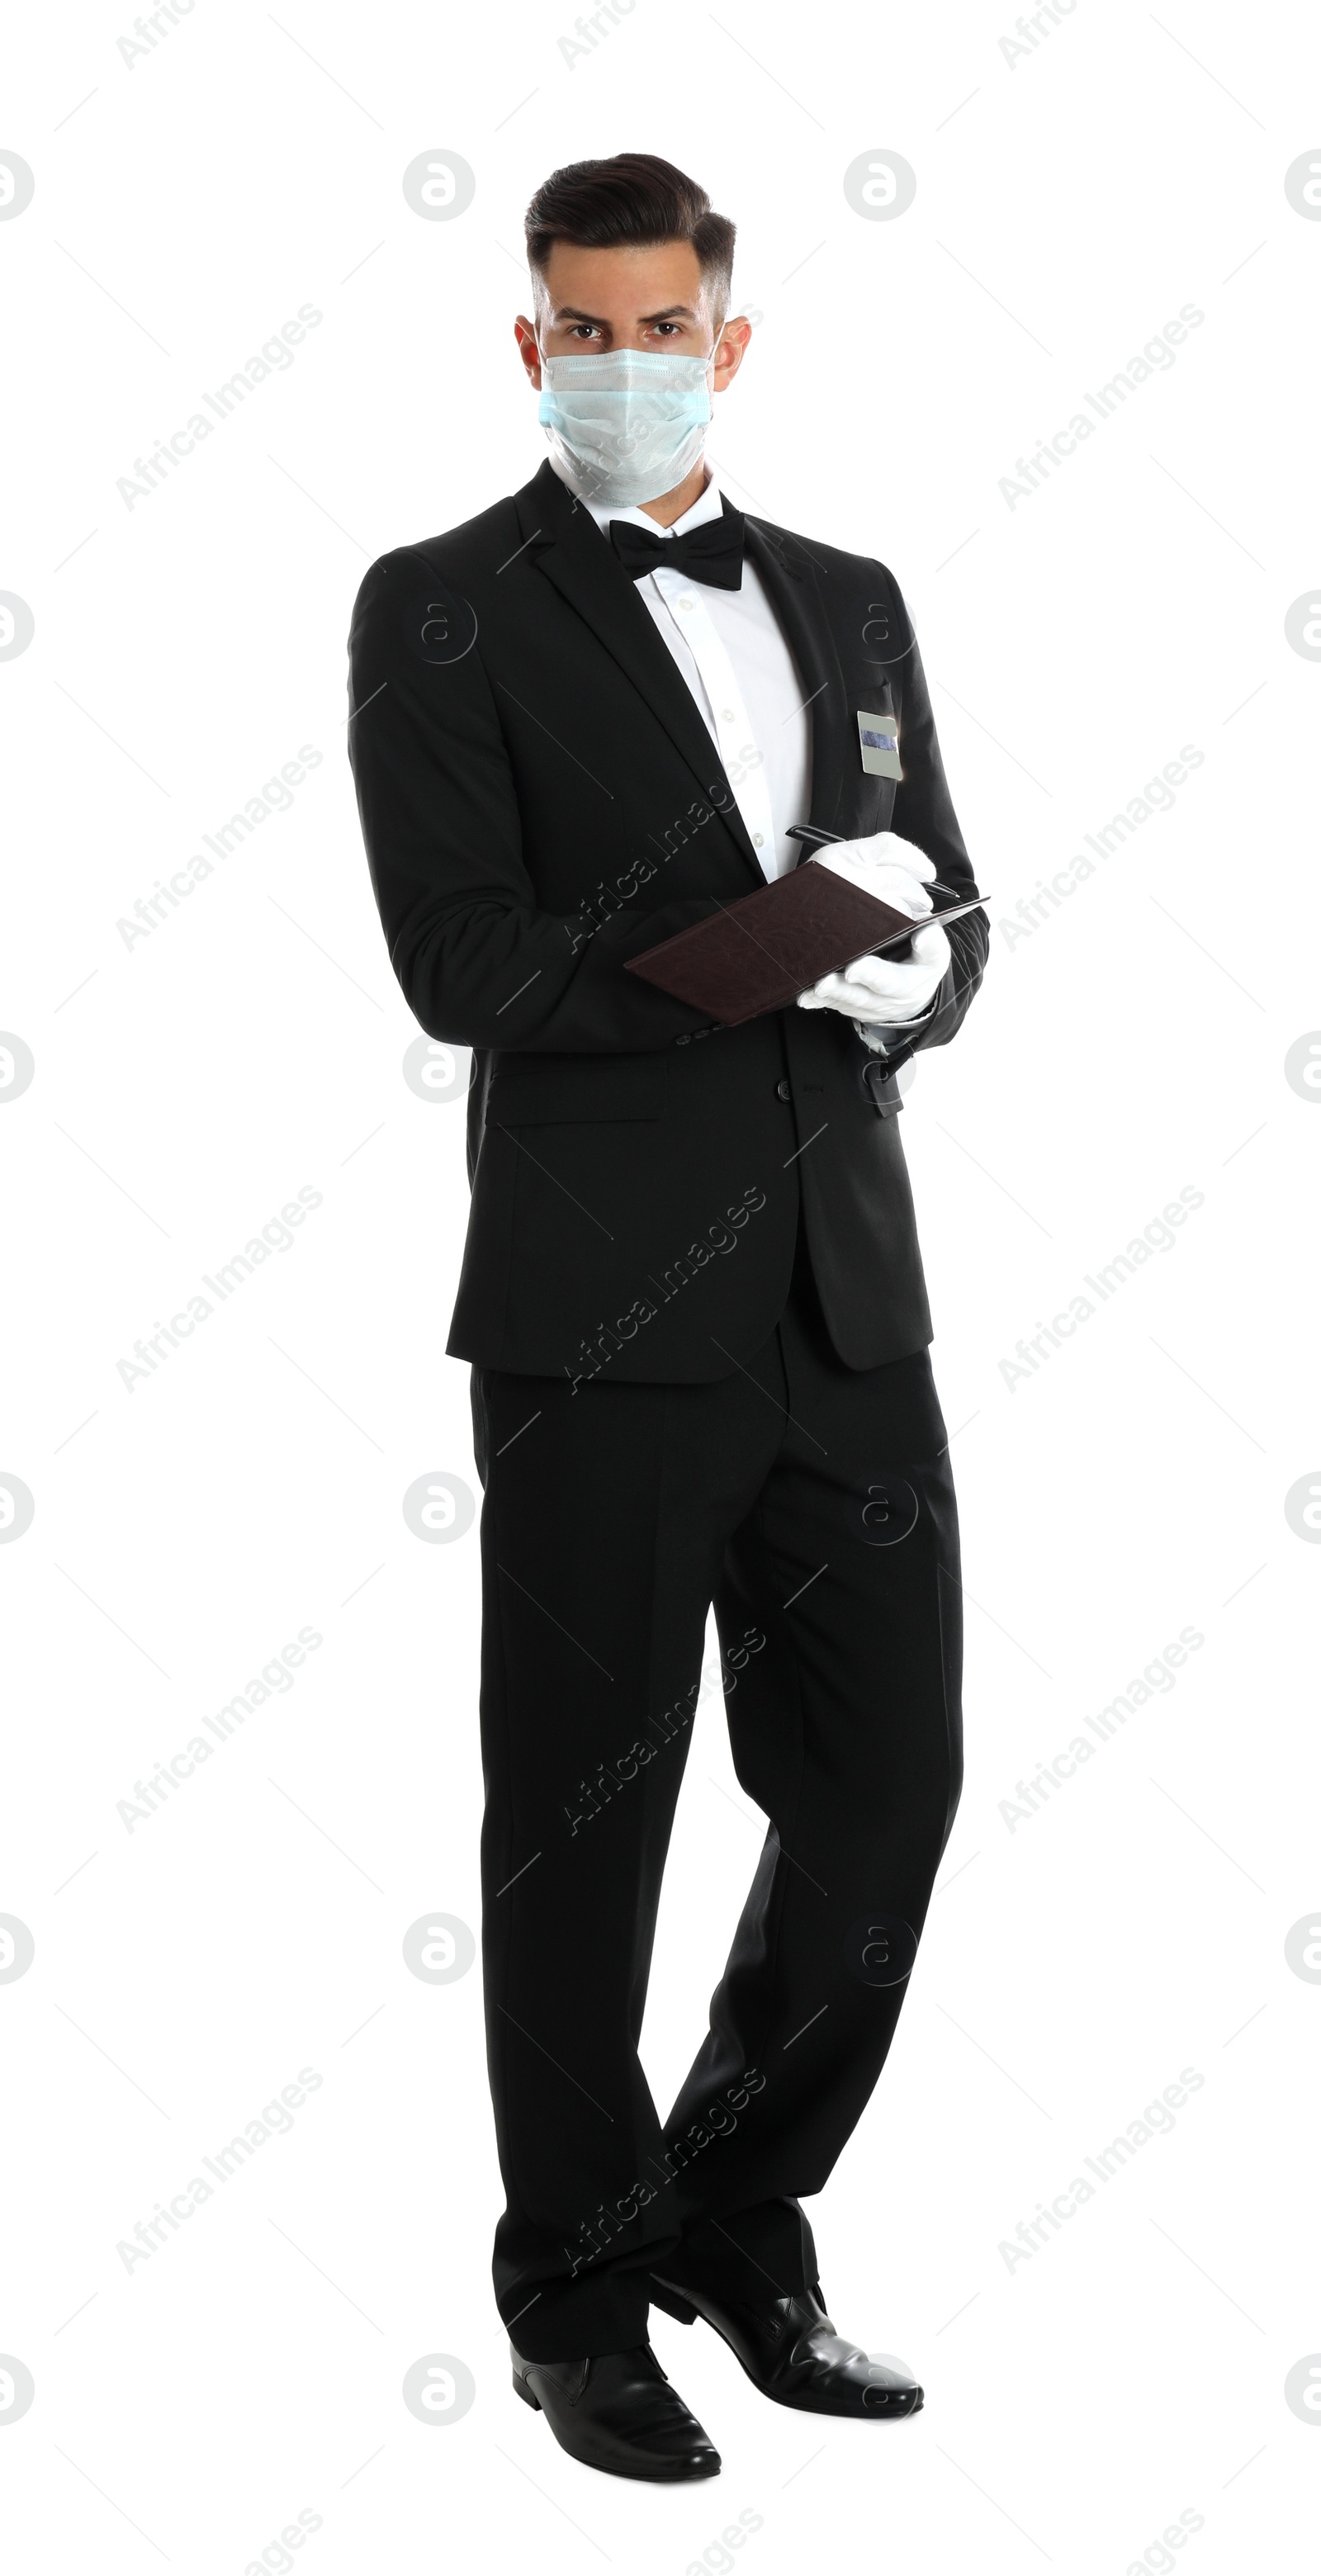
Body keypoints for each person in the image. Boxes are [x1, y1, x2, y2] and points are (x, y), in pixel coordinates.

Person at [348, 151, 987, 2484]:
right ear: (534, 347)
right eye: (581, 331)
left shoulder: (852, 591)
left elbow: (937, 887)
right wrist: (799, 939)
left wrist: (924, 972)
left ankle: (735, 2209)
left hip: (848, 1298)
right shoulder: (437, 610)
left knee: (885, 1789)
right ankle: (577, 2289)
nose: (625, 364)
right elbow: (471, 965)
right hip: (599, 1317)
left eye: (662, 325)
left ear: (733, 335)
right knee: (581, 1830)